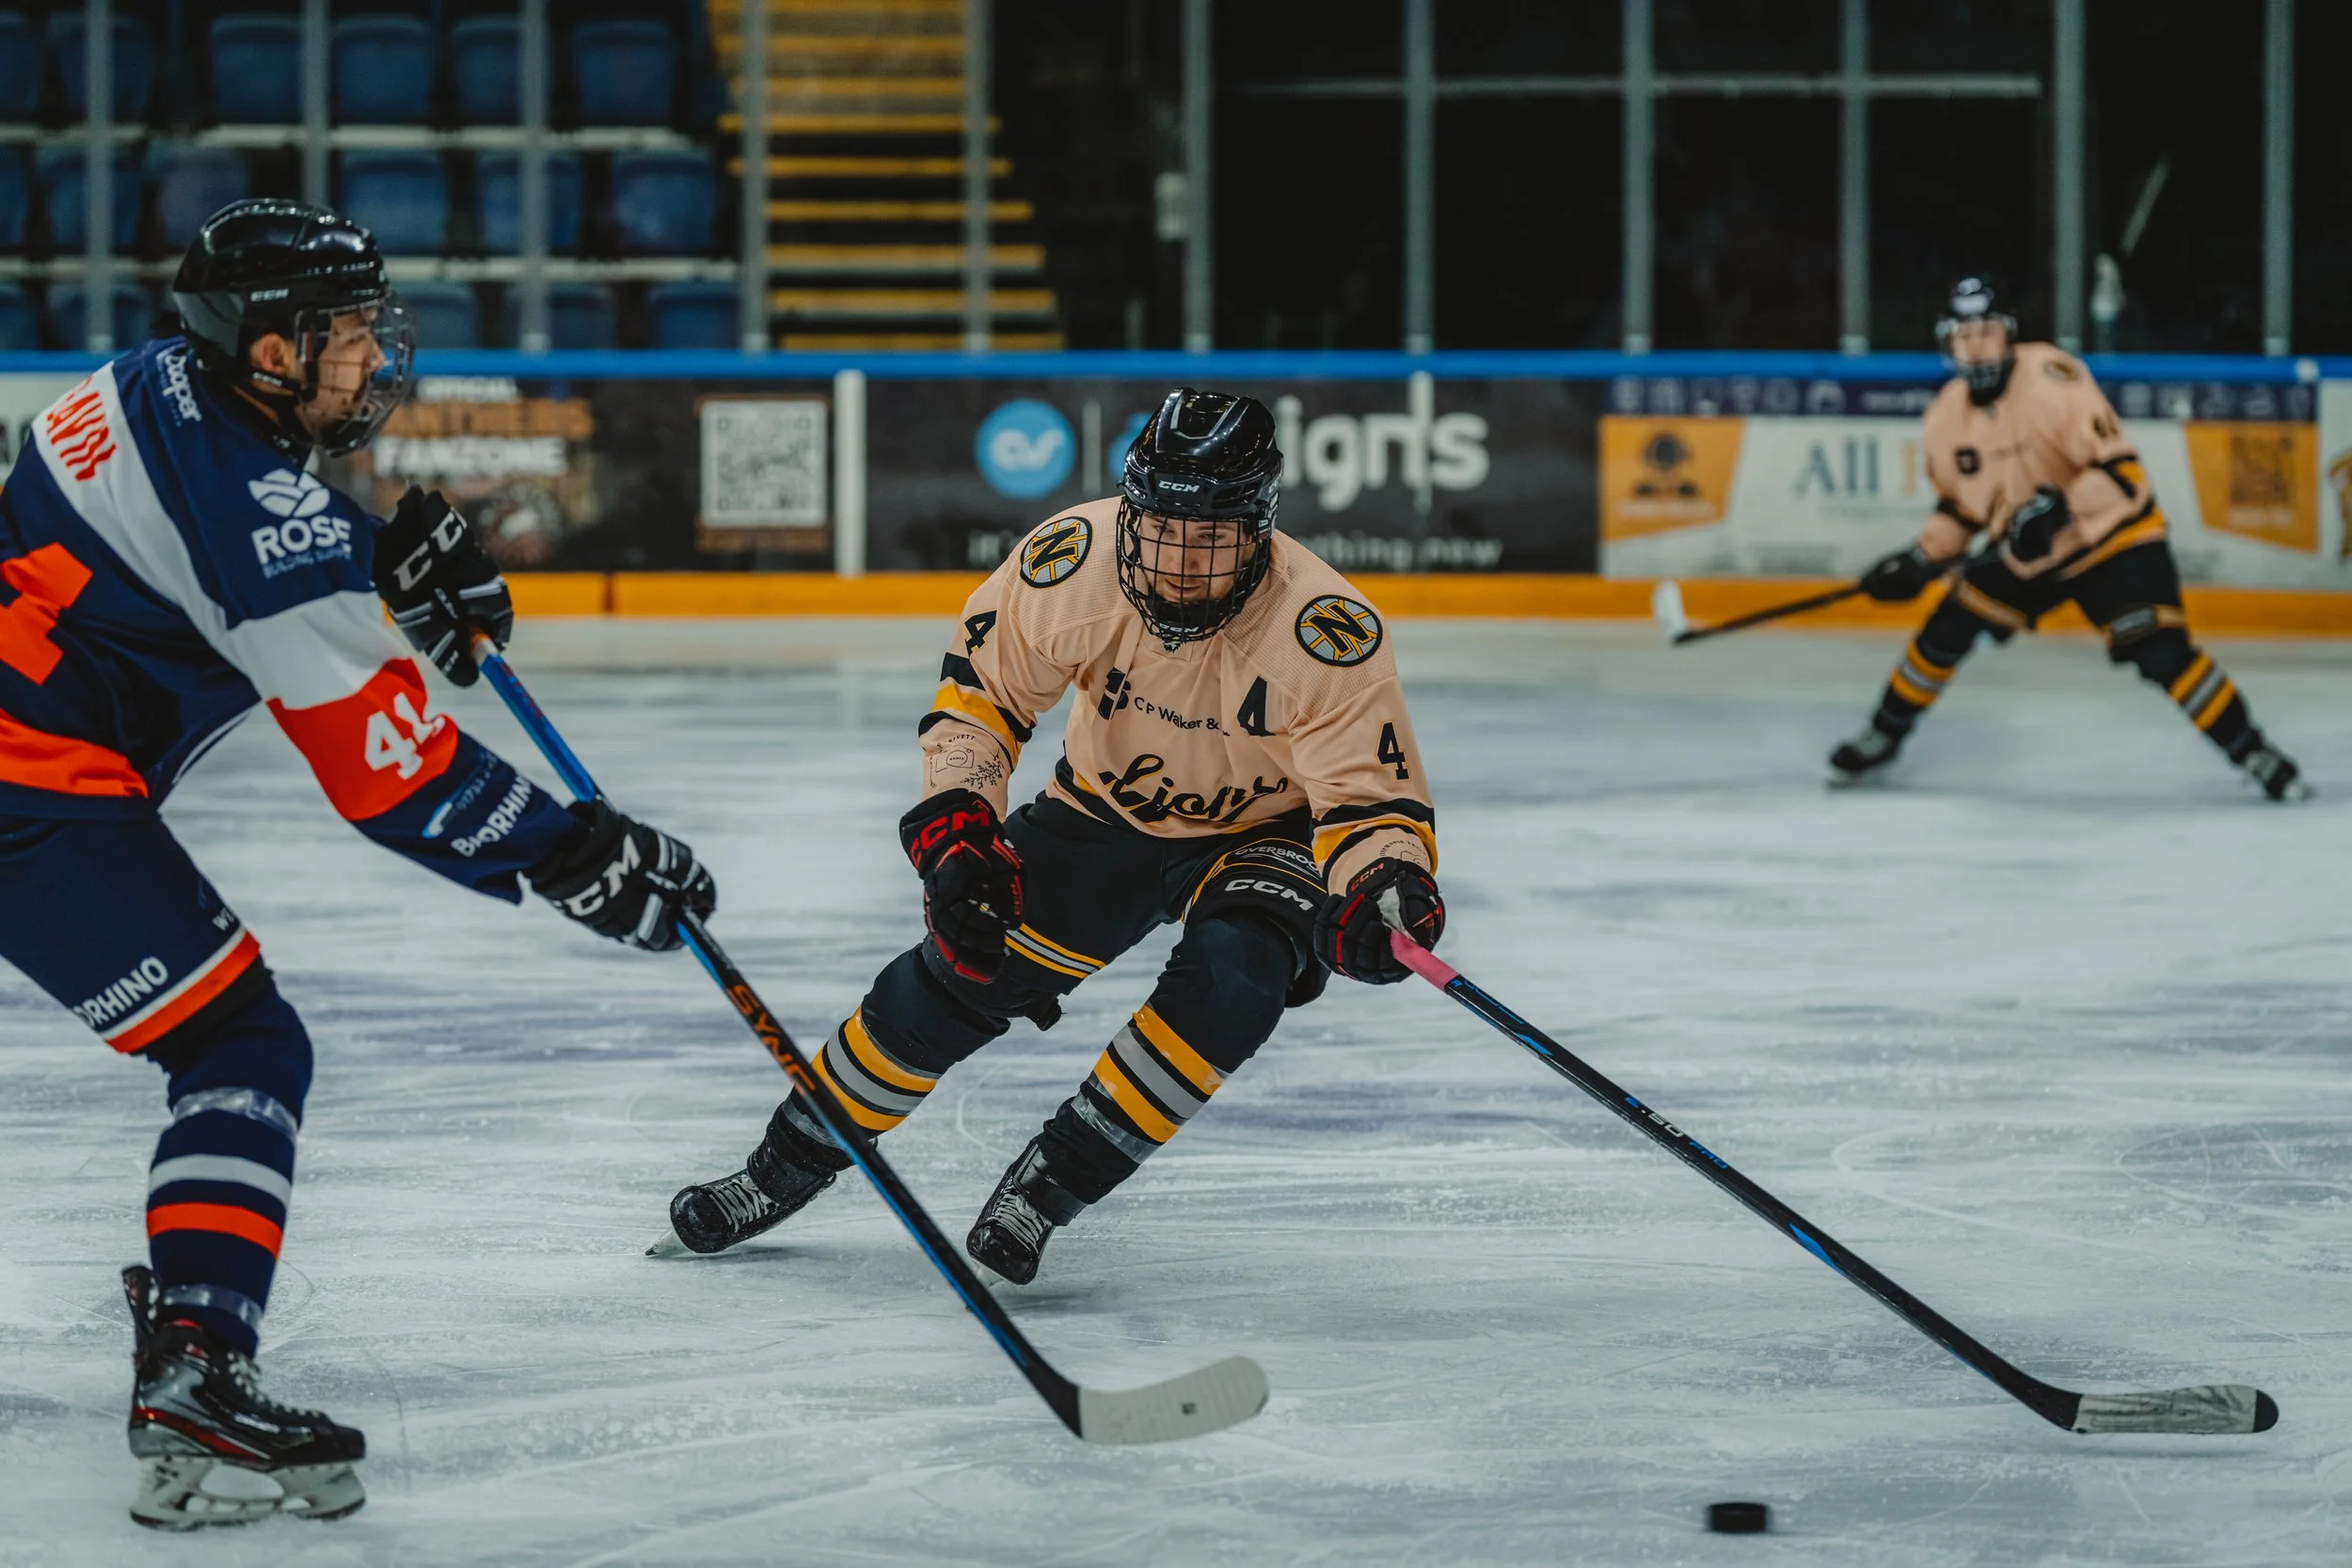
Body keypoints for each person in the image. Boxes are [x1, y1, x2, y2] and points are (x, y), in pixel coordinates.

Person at [0, 199, 715, 1528]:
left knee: (232, 1040)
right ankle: (201, 1360)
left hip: (34, 762)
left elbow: (204, 527)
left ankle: (194, 1309)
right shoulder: (258, 517)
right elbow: (391, 772)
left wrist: (375, 553)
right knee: (239, 1046)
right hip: (26, 792)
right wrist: (578, 856)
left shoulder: (149, 376)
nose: (372, 357)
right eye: (343, 334)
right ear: (267, 349)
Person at [664, 388, 1443, 1286]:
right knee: (960, 967)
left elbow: (1369, 804)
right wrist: (960, 827)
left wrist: (1383, 883)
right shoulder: (1067, 566)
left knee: (1237, 977)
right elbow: (981, 701)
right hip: (1100, 813)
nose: (1180, 565)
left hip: (1263, 835)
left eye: (1212, 537)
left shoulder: (1325, 631)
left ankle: (1049, 1185)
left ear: (1260, 529)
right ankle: (780, 1168)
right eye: (1160, 530)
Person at [1830, 277, 2305, 800]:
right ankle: (1884, 734)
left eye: (1986, 332)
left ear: (2009, 334)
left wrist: (2056, 511)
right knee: (1945, 629)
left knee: (2162, 653)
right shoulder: (1945, 417)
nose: (1976, 347)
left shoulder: (2054, 378)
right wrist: (1921, 558)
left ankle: (2253, 750)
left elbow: (2119, 471)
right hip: (2028, 556)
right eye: (1963, 336)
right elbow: (1961, 511)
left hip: (2113, 539)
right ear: (1947, 342)